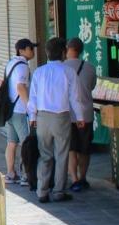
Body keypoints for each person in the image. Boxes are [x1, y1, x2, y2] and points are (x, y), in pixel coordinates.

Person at [27, 37, 91, 204]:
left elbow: (32, 97)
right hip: (61, 117)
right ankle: (58, 191)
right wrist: (80, 118)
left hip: (42, 117)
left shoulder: (39, 72)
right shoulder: (68, 72)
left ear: (47, 53)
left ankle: (42, 191)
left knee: (45, 155)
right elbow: (74, 98)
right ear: (63, 52)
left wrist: (32, 117)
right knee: (61, 155)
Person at [0, 39, 35, 185]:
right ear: (21, 50)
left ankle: (10, 173)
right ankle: (26, 175)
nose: (32, 51)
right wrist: (30, 106)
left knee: (11, 143)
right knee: (25, 143)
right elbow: (21, 87)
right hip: (20, 110)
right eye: (30, 48)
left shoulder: (11, 63)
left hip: (10, 110)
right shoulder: (22, 67)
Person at [65, 38, 97, 192]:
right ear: (82, 50)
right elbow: (91, 87)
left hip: (68, 114)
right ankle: (83, 178)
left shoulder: (62, 68)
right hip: (86, 114)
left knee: (71, 148)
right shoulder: (90, 68)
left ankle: (74, 179)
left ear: (67, 49)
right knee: (84, 148)